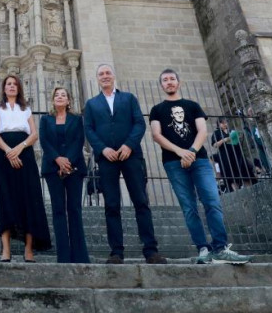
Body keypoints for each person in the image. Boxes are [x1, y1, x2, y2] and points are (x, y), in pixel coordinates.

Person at [150, 69, 251, 265]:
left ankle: (220, 248)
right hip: (173, 162)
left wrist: (192, 152)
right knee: (189, 207)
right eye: (165, 80)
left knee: (212, 201)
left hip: (200, 160)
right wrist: (181, 152)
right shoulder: (156, 110)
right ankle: (203, 249)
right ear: (161, 85)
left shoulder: (192, 106)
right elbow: (156, 135)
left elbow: (202, 131)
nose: (169, 82)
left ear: (179, 82)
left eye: (172, 79)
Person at [83, 63, 165, 265]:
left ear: (113, 76)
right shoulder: (92, 104)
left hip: (130, 155)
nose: (105, 76)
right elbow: (89, 129)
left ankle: (151, 250)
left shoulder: (128, 98)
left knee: (141, 201)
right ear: (97, 78)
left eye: (107, 73)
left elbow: (139, 123)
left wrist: (129, 145)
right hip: (107, 158)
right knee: (111, 204)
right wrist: (103, 149)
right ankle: (116, 252)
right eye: (101, 74)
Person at [0, 75, 51, 262]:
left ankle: (28, 249)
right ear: (4, 88)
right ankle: (5, 249)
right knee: (7, 199)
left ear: (19, 88)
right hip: (3, 152)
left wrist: (20, 148)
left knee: (28, 200)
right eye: (8, 84)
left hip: (24, 153)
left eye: (15, 84)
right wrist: (9, 151)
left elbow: (34, 134)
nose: (12, 87)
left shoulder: (26, 109)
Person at [39, 87, 90, 263]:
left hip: (74, 168)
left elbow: (78, 140)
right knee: (58, 210)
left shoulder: (76, 119)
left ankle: (80, 255)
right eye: (56, 95)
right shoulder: (45, 120)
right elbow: (44, 141)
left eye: (63, 95)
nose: (60, 97)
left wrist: (67, 160)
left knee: (74, 209)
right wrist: (58, 160)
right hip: (53, 169)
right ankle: (63, 256)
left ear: (69, 100)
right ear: (52, 100)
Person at [210, 117, 255, 192]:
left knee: (245, 173)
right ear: (219, 124)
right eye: (223, 123)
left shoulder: (231, 131)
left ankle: (250, 190)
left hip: (237, 154)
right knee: (232, 176)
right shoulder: (217, 133)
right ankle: (237, 192)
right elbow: (215, 145)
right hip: (226, 157)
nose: (225, 124)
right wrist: (225, 139)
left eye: (226, 122)